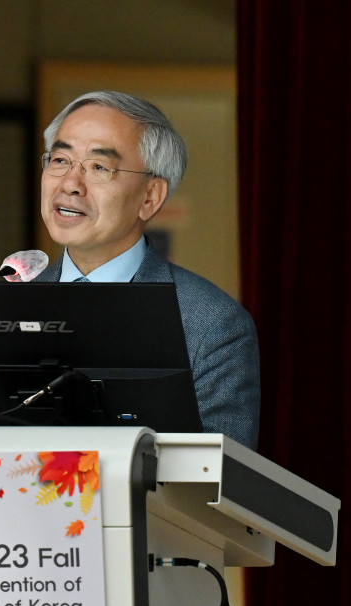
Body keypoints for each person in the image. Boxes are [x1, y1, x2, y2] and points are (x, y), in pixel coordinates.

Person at [34, 90, 260, 452]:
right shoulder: (7, 304)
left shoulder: (211, 325)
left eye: (99, 167)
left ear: (150, 197)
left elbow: (217, 478)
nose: (70, 184)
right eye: (60, 160)